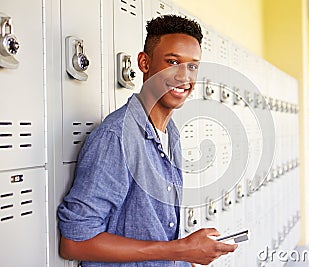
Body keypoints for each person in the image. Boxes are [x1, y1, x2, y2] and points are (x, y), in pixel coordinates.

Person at [57, 15, 237, 267]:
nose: (184, 76)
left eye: (193, 66)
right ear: (144, 62)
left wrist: (184, 256)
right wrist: (179, 250)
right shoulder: (117, 137)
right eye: (173, 62)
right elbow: (76, 242)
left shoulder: (171, 133)